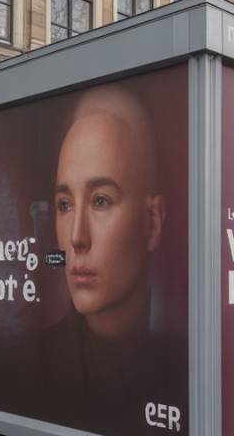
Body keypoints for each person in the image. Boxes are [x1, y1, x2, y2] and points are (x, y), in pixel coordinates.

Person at [54, 88, 166, 340]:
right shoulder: (23, 366)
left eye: (101, 201)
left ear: (152, 223)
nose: (77, 238)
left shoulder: (182, 360)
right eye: (65, 205)